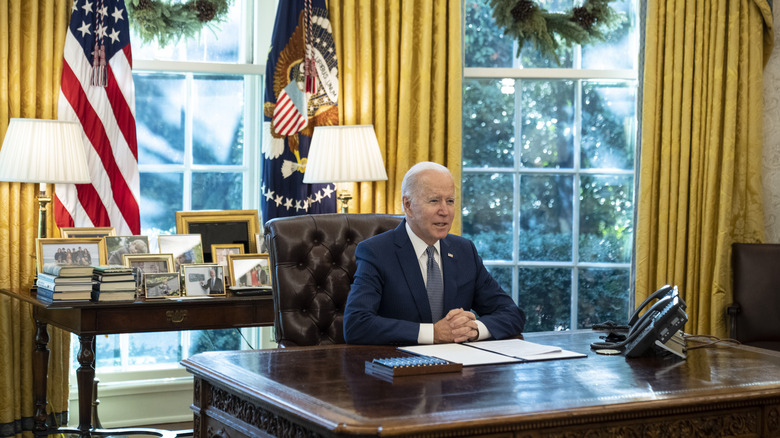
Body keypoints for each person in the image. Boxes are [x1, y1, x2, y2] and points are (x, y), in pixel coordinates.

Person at [343, 161, 526, 345]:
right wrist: (434, 333)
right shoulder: (376, 252)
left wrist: (474, 330)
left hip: (458, 366)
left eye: (450, 201)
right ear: (408, 205)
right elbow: (356, 324)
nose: (444, 211)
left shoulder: (464, 251)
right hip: (400, 367)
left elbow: (512, 314)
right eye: (434, 201)